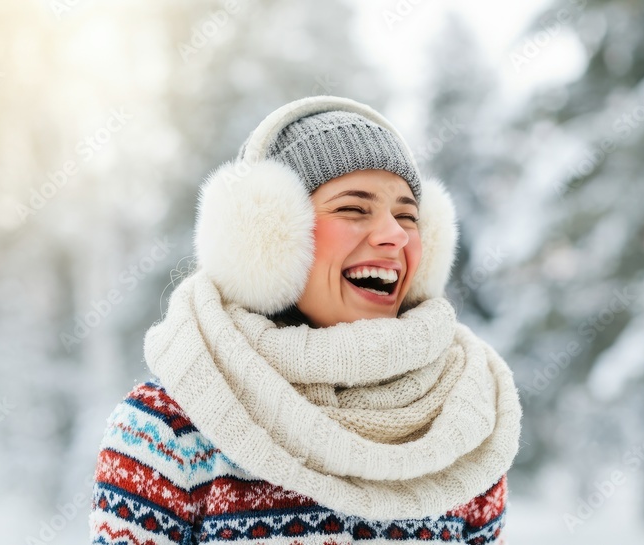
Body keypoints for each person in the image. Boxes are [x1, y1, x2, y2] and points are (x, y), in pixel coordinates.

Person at [88, 96, 522, 544]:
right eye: (354, 208)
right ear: (269, 239)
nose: (395, 234)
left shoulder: (461, 424)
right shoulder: (167, 430)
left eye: (408, 216)